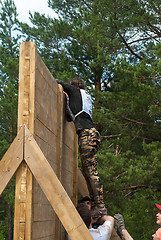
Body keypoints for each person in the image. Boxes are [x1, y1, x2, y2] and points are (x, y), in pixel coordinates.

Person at [57, 77, 106, 214]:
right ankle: (97, 205)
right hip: (92, 134)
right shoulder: (85, 97)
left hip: (87, 135)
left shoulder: (74, 91)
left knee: (90, 171)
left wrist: (64, 92)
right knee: (87, 170)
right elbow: (69, 117)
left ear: (73, 86)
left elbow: (58, 82)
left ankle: (101, 207)